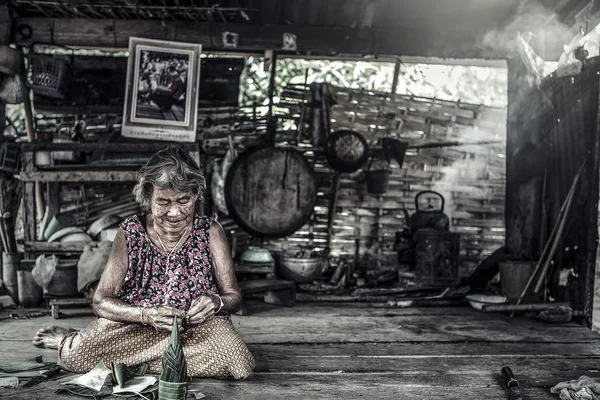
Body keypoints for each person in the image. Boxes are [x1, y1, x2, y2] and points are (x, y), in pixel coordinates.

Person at [32, 147, 255, 380]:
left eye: (183, 200)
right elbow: (101, 301)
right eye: (163, 202)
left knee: (238, 362)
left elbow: (234, 298)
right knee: (75, 356)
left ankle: (134, 361)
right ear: (148, 197)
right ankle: (72, 340)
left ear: (196, 194)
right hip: (137, 327)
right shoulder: (130, 231)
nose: (175, 212)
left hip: (197, 331)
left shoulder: (211, 231)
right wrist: (146, 315)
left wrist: (216, 302)